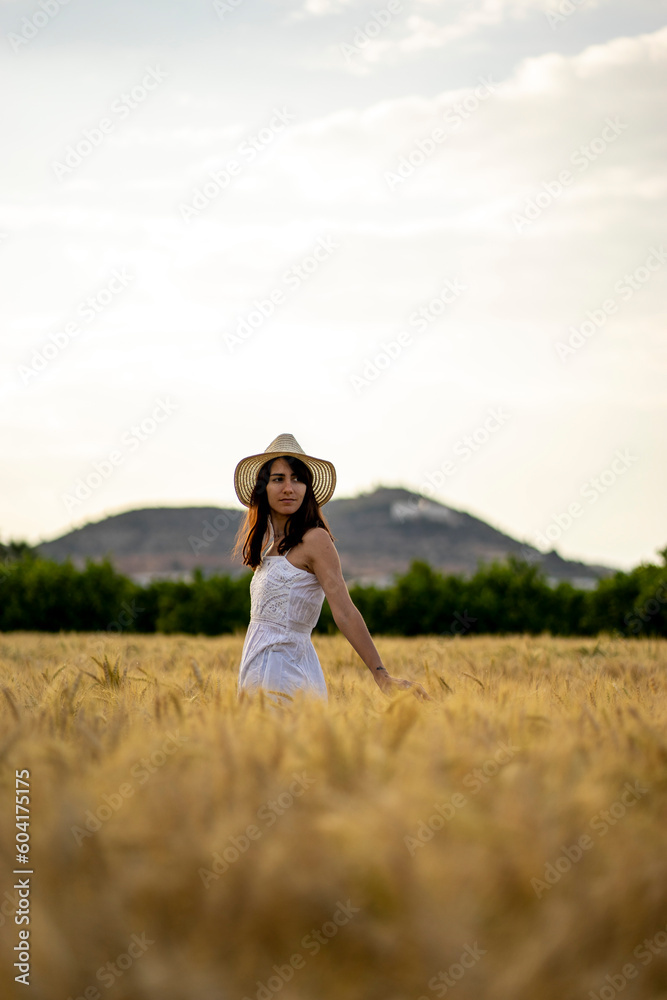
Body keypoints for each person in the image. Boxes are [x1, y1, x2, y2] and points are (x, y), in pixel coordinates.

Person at [232, 433, 431, 707]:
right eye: (278, 479)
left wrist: (382, 676)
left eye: (297, 479)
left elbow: (345, 611)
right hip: (254, 676)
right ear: (263, 488)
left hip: (289, 679)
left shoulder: (315, 539)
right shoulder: (269, 548)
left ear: (307, 488)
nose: (289, 488)